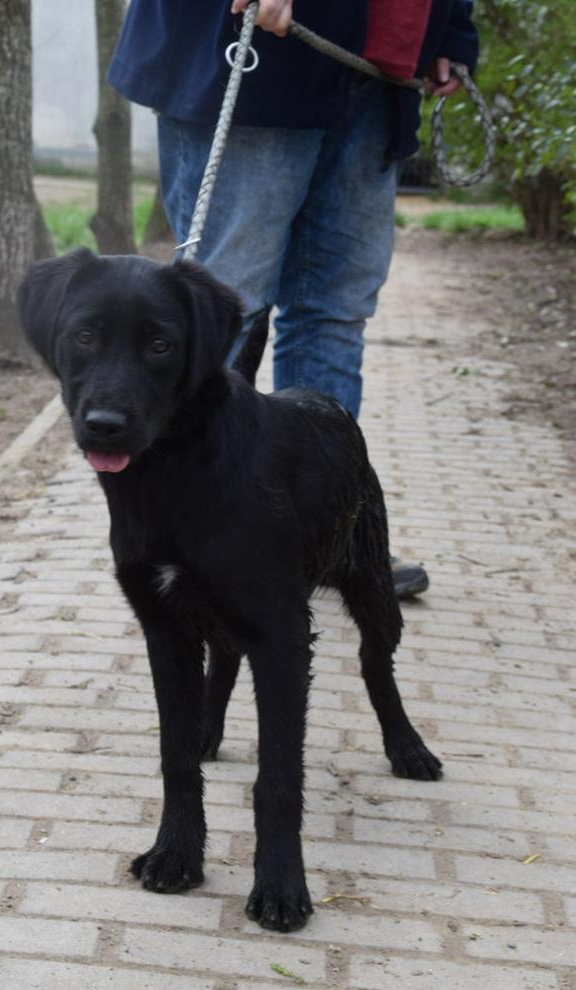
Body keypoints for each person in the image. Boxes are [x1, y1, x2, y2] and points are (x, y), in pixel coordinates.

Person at [107, 0, 479, 597]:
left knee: (335, 311)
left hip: (376, 67)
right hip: (252, 47)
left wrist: (451, 29)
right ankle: (194, 533)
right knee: (224, 307)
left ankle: (324, 533)